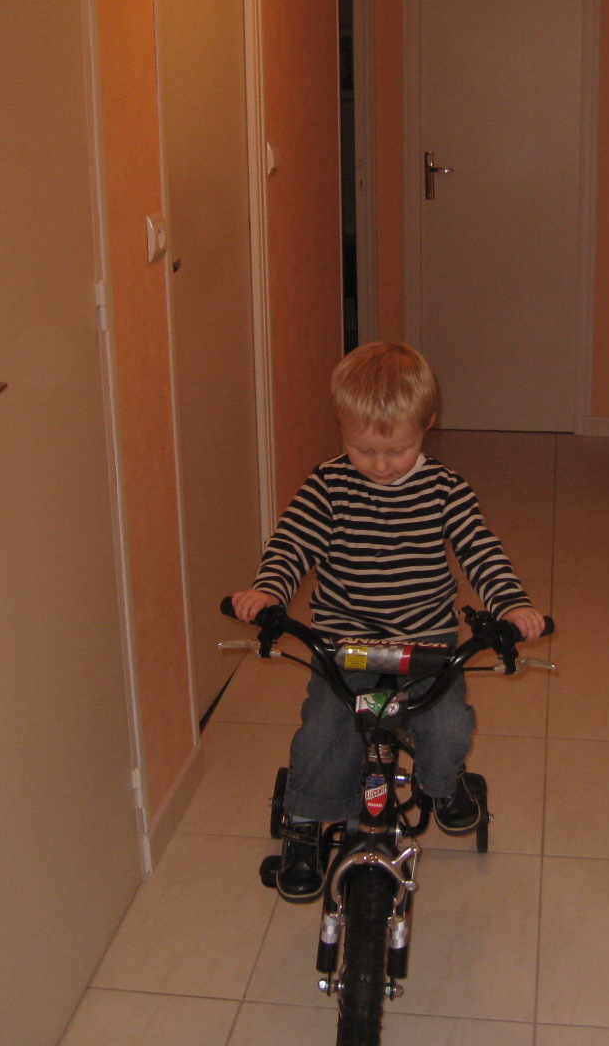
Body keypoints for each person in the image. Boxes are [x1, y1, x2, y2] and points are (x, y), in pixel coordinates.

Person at [229, 342, 545, 901]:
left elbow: (480, 550)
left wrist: (510, 605)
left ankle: (442, 783)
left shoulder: (445, 490)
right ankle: (304, 825)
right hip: (344, 644)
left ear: (427, 425)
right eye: (363, 449)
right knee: (325, 729)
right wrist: (268, 589)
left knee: (446, 725)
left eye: (397, 450)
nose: (379, 465)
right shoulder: (327, 485)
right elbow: (292, 543)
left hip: (424, 643)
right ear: (341, 429)